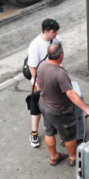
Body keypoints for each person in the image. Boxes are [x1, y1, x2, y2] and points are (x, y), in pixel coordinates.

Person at [38, 42, 89, 167]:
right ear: (61, 55)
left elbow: (38, 82)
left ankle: (54, 157)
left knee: (49, 132)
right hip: (60, 111)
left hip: (44, 105)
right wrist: (86, 108)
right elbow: (70, 93)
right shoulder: (60, 74)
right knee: (69, 136)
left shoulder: (42, 65)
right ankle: (73, 158)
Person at [27, 18, 61, 148]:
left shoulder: (56, 39)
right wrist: (38, 83)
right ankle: (34, 133)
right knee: (37, 108)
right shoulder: (35, 45)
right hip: (39, 82)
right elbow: (32, 67)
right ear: (46, 31)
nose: (56, 34)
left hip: (54, 79)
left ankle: (53, 126)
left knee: (54, 104)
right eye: (54, 31)